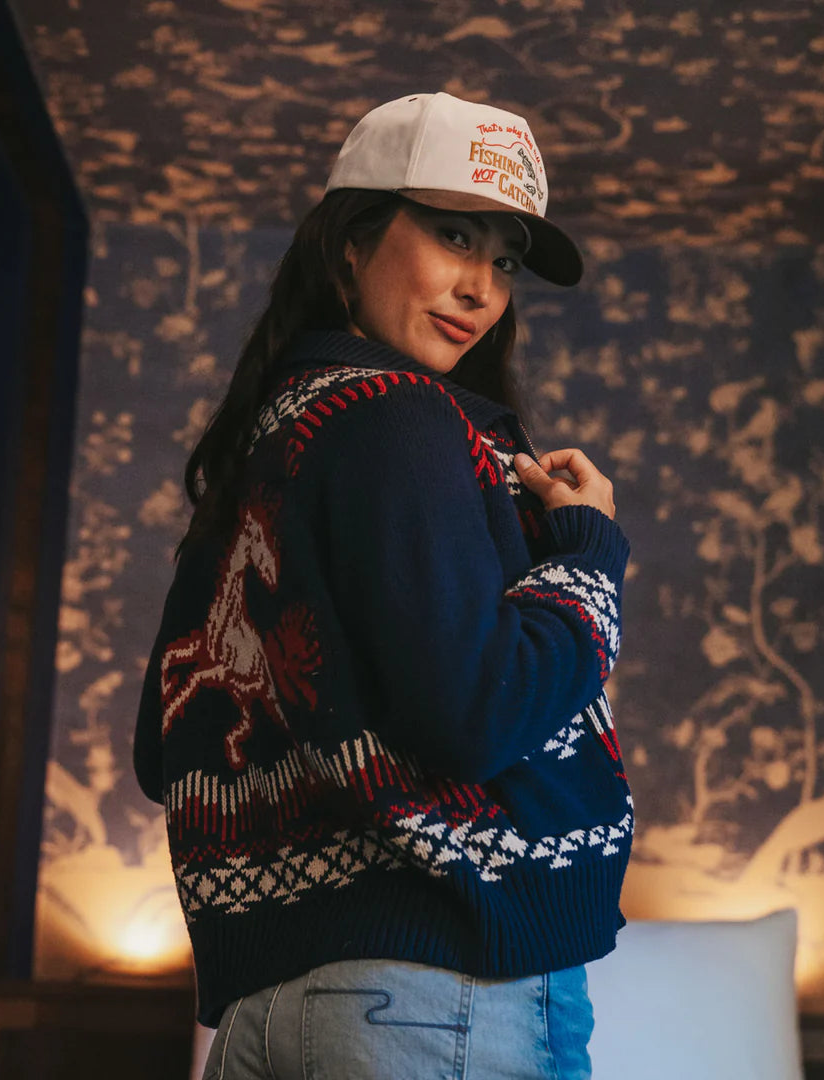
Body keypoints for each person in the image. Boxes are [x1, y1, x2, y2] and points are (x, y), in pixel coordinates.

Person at [134, 91, 633, 1080]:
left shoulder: (273, 447)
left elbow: (167, 749)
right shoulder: (402, 416)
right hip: (437, 996)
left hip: (275, 1010)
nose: (482, 287)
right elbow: (474, 718)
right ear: (351, 244)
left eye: (503, 260)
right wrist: (588, 551)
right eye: (453, 236)